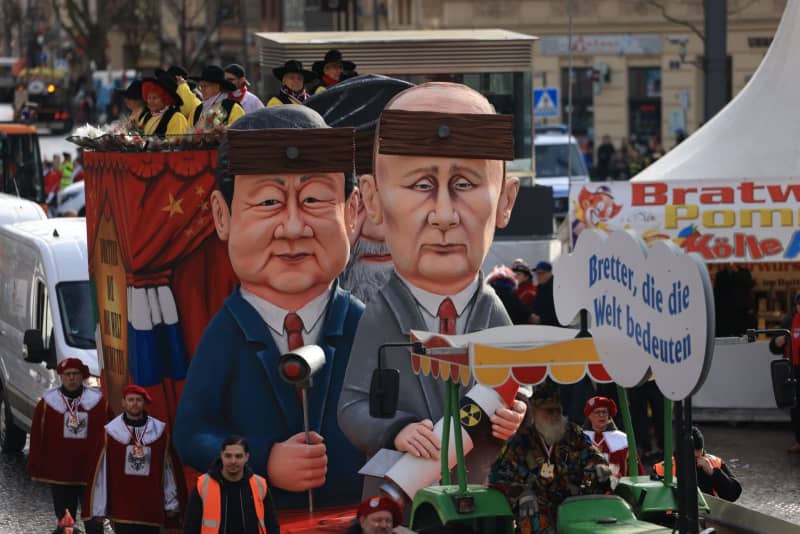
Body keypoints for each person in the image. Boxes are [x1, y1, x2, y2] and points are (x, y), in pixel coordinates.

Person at [338, 82, 527, 493]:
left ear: (505, 201)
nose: (444, 216)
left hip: (483, 491)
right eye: (421, 186)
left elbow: (518, 385)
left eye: (464, 184)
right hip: (398, 494)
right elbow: (352, 408)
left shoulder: (493, 312)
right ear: (372, 199)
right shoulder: (381, 315)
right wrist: (396, 430)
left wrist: (515, 416)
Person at [174, 105, 365, 509]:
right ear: (222, 216)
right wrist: (261, 459)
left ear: (351, 213)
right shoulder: (227, 334)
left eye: (314, 199)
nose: (293, 228)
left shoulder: (365, 326)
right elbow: (193, 433)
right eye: (267, 203)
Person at [489, 382, 611, 534]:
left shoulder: (573, 433)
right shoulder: (521, 441)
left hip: (576, 500)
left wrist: (599, 466)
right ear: (534, 412)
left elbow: (593, 455)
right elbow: (498, 477)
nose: (555, 416)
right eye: (549, 411)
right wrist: (522, 493)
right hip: (537, 504)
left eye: (558, 411)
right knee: (534, 519)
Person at [83, 385, 180, 533]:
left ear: (144, 403)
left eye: (138, 400)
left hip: (150, 507)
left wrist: (171, 503)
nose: (134, 403)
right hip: (122, 507)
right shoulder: (111, 433)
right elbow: (101, 474)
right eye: (130, 400)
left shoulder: (159, 433)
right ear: (123, 402)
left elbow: (168, 472)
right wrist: (99, 508)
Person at [27, 358, 109, 534]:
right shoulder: (48, 403)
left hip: (91, 474)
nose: (71, 378)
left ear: (83, 377)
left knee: (94, 524)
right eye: (67, 375)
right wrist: (36, 463)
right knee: (66, 524)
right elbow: (36, 436)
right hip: (61, 474)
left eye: (75, 374)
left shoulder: (100, 403)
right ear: (61, 377)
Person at [184, 435, 279, 533]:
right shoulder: (203, 485)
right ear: (221, 455)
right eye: (228, 456)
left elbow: (272, 524)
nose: (233, 461)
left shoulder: (260, 484)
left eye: (238, 456)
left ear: (247, 457)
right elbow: (190, 526)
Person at [654, 426, 742, 502]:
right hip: (673, 518)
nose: (698, 460)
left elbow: (733, 495)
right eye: (694, 457)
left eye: (700, 455)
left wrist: (713, 473)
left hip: (709, 515)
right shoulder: (663, 469)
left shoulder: (715, 463)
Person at [769, 291, 800, 453]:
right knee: (795, 407)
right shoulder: (789, 321)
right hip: (793, 369)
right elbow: (773, 347)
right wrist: (777, 342)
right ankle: (799, 440)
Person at [582, 396, 635, 477]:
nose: (601, 415)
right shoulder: (581, 438)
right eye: (597, 412)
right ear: (589, 416)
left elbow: (636, 470)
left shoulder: (623, 439)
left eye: (604, 412)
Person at [141, 69, 189, 137]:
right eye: (149, 98)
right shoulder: (148, 116)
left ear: (165, 99)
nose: (150, 101)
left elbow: (175, 144)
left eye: (155, 98)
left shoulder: (177, 118)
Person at [530, 261, 558, 326]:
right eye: (537, 273)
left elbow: (557, 312)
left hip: (554, 328)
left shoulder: (555, 288)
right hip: (541, 327)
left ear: (549, 273)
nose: (538, 276)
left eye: (541, 273)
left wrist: (541, 319)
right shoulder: (539, 288)